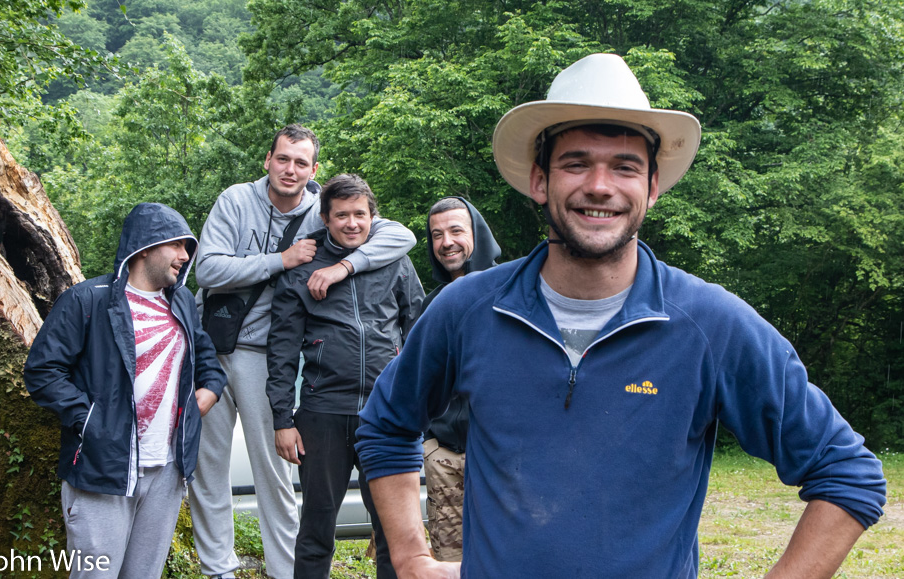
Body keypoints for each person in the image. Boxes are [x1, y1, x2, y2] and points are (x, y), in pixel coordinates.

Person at [355, 53, 887, 578]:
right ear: (540, 181)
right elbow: (385, 426)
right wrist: (409, 558)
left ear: (652, 188)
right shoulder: (467, 308)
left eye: (625, 166)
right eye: (577, 162)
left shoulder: (709, 324)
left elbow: (847, 473)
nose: (600, 185)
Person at [189, 125, 416, 579]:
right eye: (283, 159)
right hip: (210, 345)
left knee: (272, 471)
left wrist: (344, 265)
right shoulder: (236, 201)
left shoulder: (321, 209)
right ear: (268, 160)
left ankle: (280, 569)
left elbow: (401, 237)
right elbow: (208, 268)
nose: (290, 169)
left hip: (262, 349)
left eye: (300, 162)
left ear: (314, 170)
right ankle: (218, 569)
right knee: (206, 466)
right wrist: (283, 259)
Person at [24, 202, 227, 578]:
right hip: (104, 465)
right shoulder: (88, 300)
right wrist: (88, 421)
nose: (185, 256)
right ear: (145, 247)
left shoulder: (180, 301)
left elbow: (207, 359)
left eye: (188, 247)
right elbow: (42, 371)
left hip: (167, 468)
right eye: (178, 246)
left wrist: (210, 390)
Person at [267, 173, 424, 579]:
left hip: (384, 416)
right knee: (316, 529)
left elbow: (419, 330)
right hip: (322, 414)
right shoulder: (302, 270)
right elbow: (281, 351)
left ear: (373, 216)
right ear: (325, 218)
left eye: (360, 214)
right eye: (341, 215)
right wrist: (283, 420)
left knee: (392, 530)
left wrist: (414, 402)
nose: (352, 223)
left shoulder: (395, 261)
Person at [421, 196, 500, 561]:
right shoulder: (431, 304)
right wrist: (429, 443)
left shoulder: (510, 293)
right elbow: (418, 381)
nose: (446, 242)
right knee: (450, 564)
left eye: (456, 230)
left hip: (501, 459)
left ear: (477, 235)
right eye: (437, 235)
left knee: (505, 560)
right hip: (445, 458)